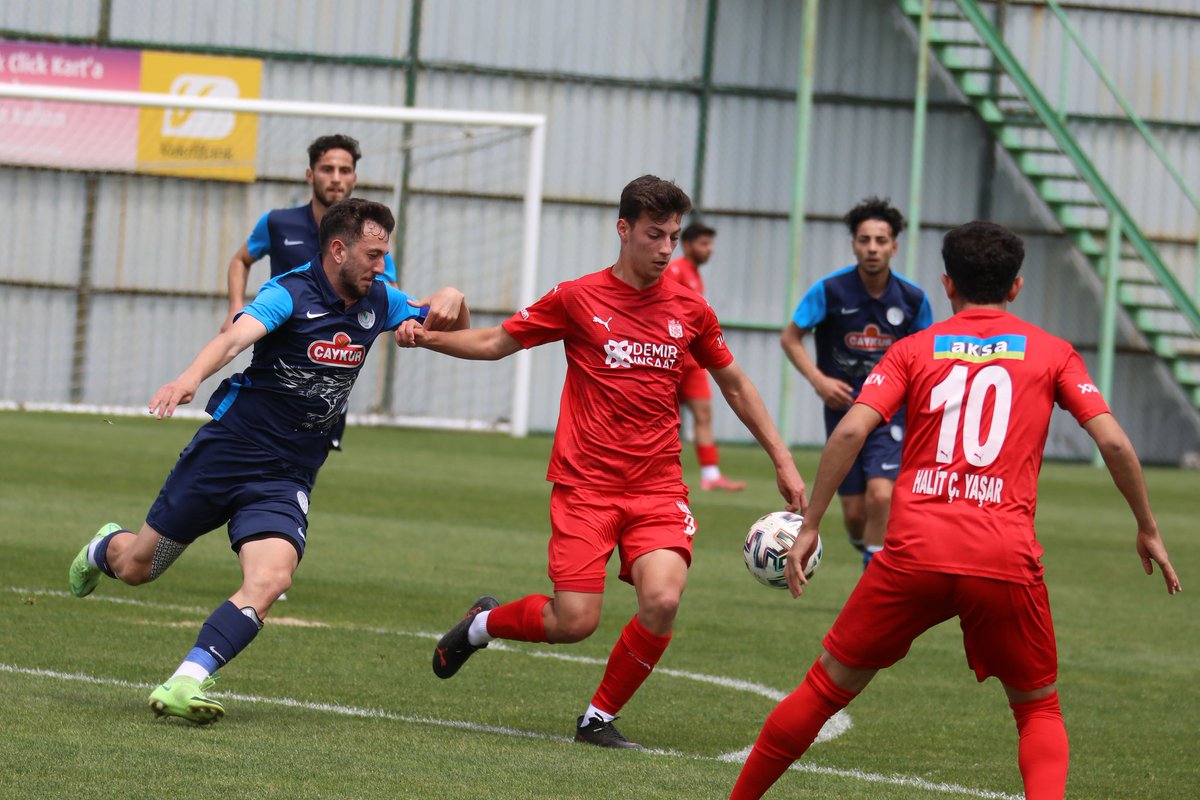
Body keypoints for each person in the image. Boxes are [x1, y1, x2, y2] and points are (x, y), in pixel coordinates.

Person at [730, 221, 1181, 800]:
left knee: (823, 689)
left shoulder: (914, 349)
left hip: (914, 552)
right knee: (1038, 710)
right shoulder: (1052, 352)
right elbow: (1115, 443)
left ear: (947, 284)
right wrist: (1146, 526)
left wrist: (810, 524)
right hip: (1002, 556)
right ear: (1015, 287)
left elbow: (849, 433)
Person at [397, 175, 807, 749]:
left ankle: (597, 719)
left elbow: (734, 383)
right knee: (574, 622)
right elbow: (496, 343)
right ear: (624, 229)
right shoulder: (576, 297)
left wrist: (782, 461)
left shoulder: (691, 307)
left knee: (663, 598)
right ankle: (481, 625)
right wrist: (428, 339)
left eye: (674, 236)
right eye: (654, 235)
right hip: (585, 487)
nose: (666, 248)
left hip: (659, 486)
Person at [67, 198, 468, 724]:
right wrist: (189, 380)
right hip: (227, 453)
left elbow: (454, 332)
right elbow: (235, 337)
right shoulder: (289, 293)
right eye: (373, 254)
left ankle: (186, 680)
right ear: (339, 249)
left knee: (273, 578)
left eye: (385, 254)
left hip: (286, 474)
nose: (381, 265)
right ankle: (104, 548)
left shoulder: (382, 300)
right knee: (139, 567)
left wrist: (453, 300)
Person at [780, 197, 932, 568]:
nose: (872, 248)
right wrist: (819, 380)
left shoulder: (912, 299)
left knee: (881, 496)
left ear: (894, 246)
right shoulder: (830, 292)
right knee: (853, 513)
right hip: (843, 410)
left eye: (881, 241)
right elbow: (790, 337)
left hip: (891, 413)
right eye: (864, 240)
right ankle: (867, 544)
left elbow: (928, 355)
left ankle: (873, 575)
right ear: (854, 244)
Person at [222, 133, 398, 450]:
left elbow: (389, 292)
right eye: (326, 169)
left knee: (303, 448)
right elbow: (240, 260)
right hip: (276, 357)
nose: (335, 178)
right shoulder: (277, 223)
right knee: (257, 434)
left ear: (354, 178)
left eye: (344, 171)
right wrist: (235, 307)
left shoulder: (368, 243)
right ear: (309, 175)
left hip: (327, 363)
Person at [664, 221, 745, 491]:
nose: (709, 250)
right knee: (661, 418)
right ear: (687, 245)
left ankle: (710, 474)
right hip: (672, 360)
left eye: (710, 244)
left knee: (704, 413)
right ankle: (660, 473)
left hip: (693, 361)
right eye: (704, 244)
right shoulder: (674, 270)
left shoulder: (696, 275)